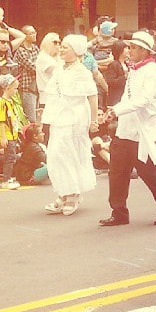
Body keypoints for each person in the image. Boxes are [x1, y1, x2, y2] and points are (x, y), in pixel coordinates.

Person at [99, 31, 156, 226]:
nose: (129, 51)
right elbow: (128, 98)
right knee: (117, 172)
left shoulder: (152, 72)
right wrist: (113, 112)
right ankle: (119, 212)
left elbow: (142, 101)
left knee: (151, 173)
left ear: (144, 50)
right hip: (125, 129)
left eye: (133, 48)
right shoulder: (134, 69)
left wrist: (116, 110)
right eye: (129, 47)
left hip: (141, 131)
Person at [42, 35, 98, 216]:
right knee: (55, 155)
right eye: (62, 46)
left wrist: (94, 120)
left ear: (76, 50)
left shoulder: (82, 72)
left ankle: (73, 194)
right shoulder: (60, 69)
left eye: (66, 47)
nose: (62, 49)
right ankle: (63, 193)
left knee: (69, 155)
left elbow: (92, 95)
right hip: (58, 118)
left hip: (74, 119)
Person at [0, 74, 27, 190]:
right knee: (10, 157)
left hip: (12, 133)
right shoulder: (2, 103)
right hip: (7, 135)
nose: (16, 91)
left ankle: (8, 177)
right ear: (7, 88)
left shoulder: (10, 101)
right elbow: (1, 121)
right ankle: (6, 179)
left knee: (11, 156)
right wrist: (3, 137)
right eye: (14, 88)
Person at [13, 25, 40, 122]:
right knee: (30, 119)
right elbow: (32, 67)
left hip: (37, 88)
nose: (34, 35)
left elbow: (41, 64)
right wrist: (39, 67)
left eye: (34, 32)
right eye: (31, 33)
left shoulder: (36, 48)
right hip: (26, 89)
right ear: (25, 36)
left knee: (37, 117)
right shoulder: (21, 50)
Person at [103, 39, 129, 106]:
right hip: (116, 99)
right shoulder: (113, 65)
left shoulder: (127, 64)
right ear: (120, 50)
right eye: (126, 48)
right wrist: (124, 77)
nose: (128, 50)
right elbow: (110, 81)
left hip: (125, 97)